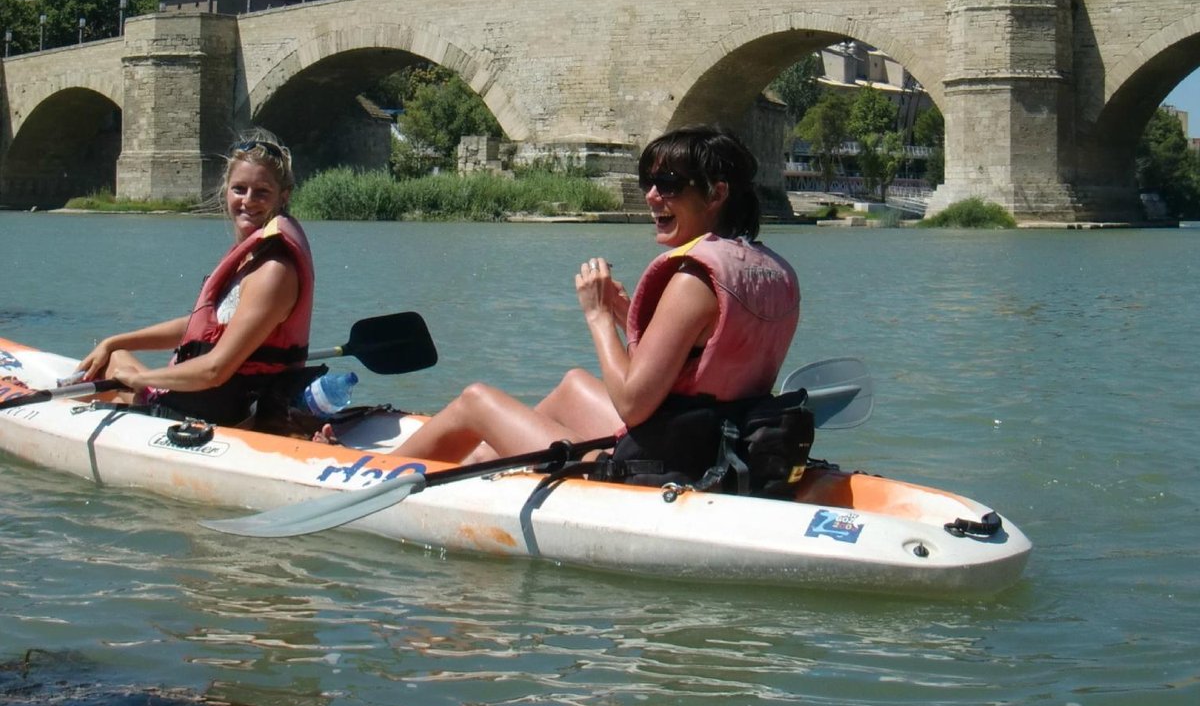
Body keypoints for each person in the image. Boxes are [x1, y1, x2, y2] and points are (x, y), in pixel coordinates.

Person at [393, 126, 800, 468]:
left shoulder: (693, 281)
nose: (652, 196)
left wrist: (600, 316)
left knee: (475, 401)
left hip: (661, 467)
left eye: (670, 185)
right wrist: (629, 317)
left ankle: (377, 475)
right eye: (649, 183)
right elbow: (709, 365)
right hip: (713, 447)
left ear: (716, 195)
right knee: (573, 385)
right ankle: (481, 464)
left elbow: (632, 405)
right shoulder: (774, 269)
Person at [80, 133, 315, 427]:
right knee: (114, 355)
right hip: (208, 400)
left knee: (110, 378)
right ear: (226, 191)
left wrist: (141, 379)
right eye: (239, 189)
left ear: (284, 196)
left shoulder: (273, 272)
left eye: (262, 192)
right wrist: (114, 340)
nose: (248, 201)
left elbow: (214, 370)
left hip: (220, 416)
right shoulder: (251, 259)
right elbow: (200, 327)